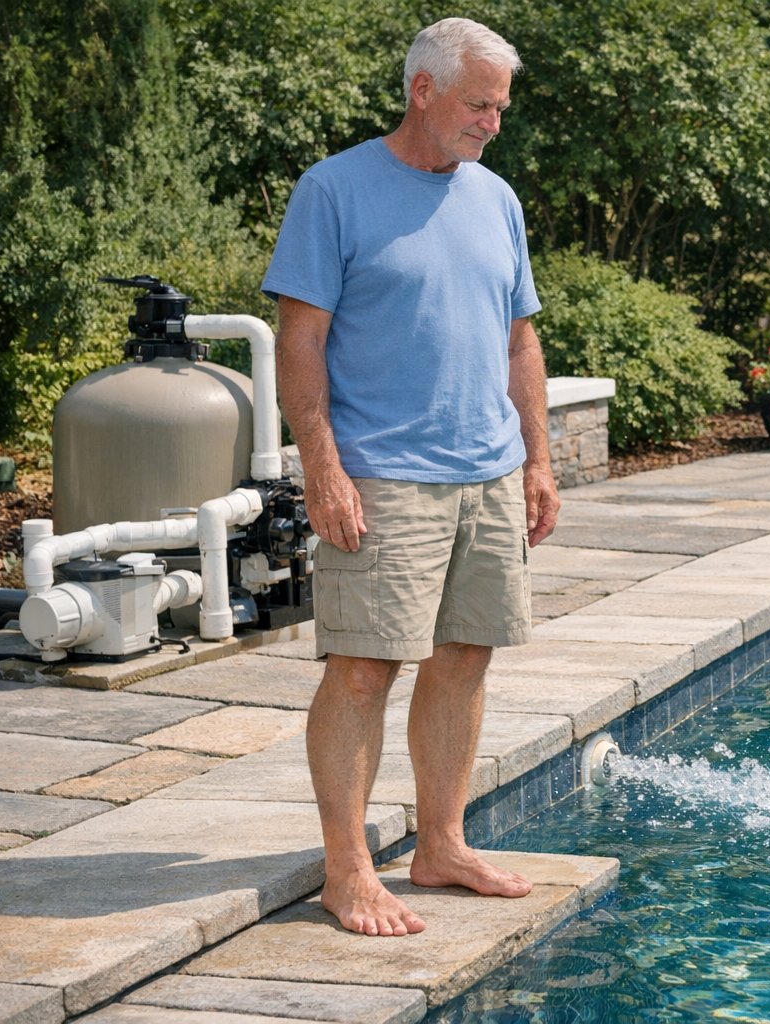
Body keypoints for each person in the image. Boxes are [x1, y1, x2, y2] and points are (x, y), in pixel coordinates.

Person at [261, 17, 558, 937]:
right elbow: (299, 340)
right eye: (479, 104)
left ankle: (440, 843)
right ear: (422, 91)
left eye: (501, 108)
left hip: (487, 472)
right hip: (384, 476)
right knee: (364, 669)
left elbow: (520, 338)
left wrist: (539, 459)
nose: (492, 124)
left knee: (465, 659)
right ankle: (347, 871)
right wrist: (323, 467)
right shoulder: (335, 189)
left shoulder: (496, 198)